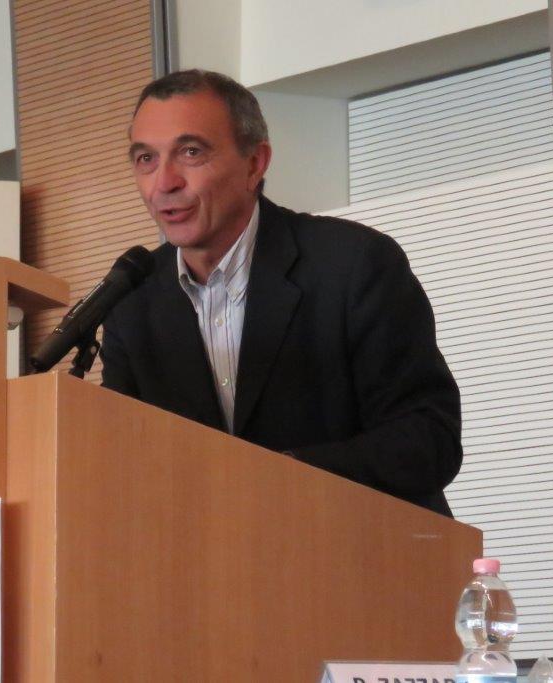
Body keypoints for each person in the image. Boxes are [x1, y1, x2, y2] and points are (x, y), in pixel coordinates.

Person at [100, 69, 462, 517]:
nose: (164, 183)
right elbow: (125, 464)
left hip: (359, 545)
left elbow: (428, 440)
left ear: (255, 163)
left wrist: (278, 478)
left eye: (190, 152)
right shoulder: (132, 301)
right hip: (202, 556)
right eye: (145, 159)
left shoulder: (352, 263)